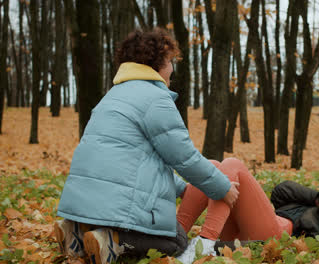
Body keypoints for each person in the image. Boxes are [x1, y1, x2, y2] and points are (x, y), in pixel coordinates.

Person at [54, 28, 239, 264]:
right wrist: (222, 187)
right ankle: (114, 241)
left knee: (127, 224)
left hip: (85, 204)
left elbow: (139, 164)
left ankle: (77, 232)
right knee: (177, 243)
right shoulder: (155, 99)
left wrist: (182, 189)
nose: (172, 68)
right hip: (118, 208)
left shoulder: (112, 96)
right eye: (170, 61)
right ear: (157, 63)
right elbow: (184, 157)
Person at [176, 158, 319, 263]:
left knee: (232, 163)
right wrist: (315, 197)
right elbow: (281, 190)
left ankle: (206, 240)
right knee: (212, 166)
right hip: (253, 228)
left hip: (276, 235)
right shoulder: (314, 205)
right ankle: (174, 237)